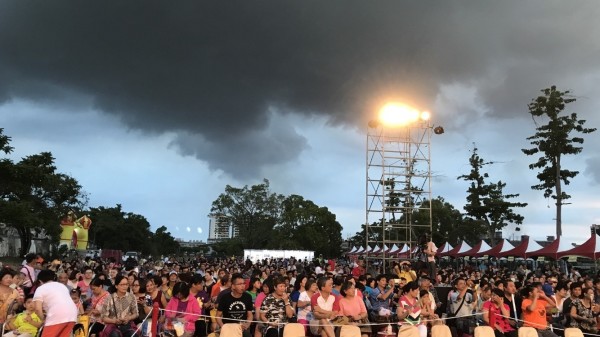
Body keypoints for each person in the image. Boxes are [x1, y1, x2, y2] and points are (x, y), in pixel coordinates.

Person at [33, 269, 78, 337]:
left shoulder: (41, 288)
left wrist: (43, 319)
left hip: (57, 315)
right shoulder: (62, 286)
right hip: (72, 315)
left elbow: (37, 309)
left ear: (40, 281)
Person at [216, 273, 253, 337]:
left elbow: (250, 315)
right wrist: (223, 327)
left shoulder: (248, 297)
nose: (243, 286)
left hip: (241, 327)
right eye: (239, 284)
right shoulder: (225, 297)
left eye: (243, 283)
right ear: (233, 286)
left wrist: (247, 325)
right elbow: (218, 316)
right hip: (228, 326)